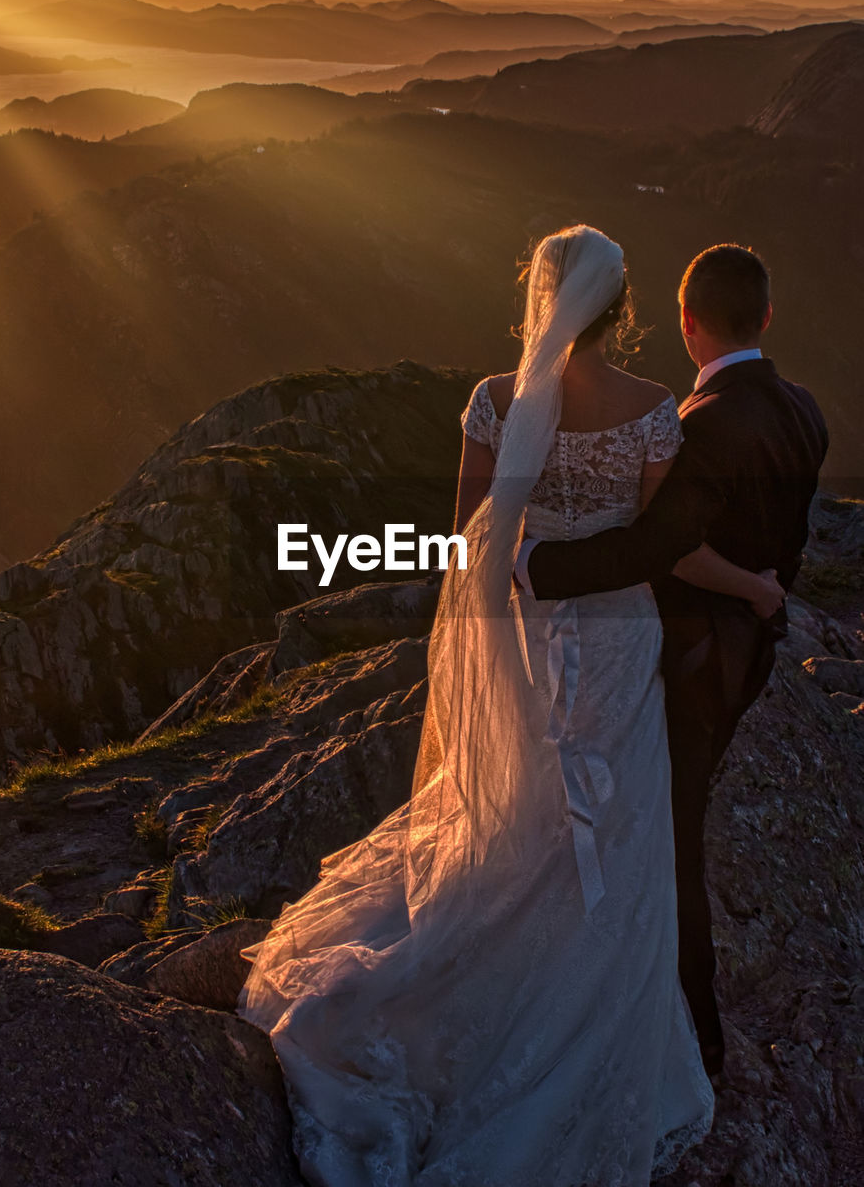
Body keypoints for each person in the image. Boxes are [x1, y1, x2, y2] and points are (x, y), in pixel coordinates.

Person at [236, 225, 772, 1186]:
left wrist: (487, 663)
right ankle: (589, 1008)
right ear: (620, 312)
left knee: (517, 816)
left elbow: (467, 544)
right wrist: (752, 587)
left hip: (526, 637)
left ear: (539, 298)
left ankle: (474, 991)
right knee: (616, 836)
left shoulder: (493, 404)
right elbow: (669, 551)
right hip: (615, 649)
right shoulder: (657, 412)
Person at [517, 242, 829, 1082]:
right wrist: (765, 596)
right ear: (763, 316)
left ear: (687, 324)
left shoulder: (704, 424)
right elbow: (779, 539)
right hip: (747, 655)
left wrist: (534, 566)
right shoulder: (803, 409)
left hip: (691, 662)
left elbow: (661, 547)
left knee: (668, 837)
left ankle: (694, 1029)